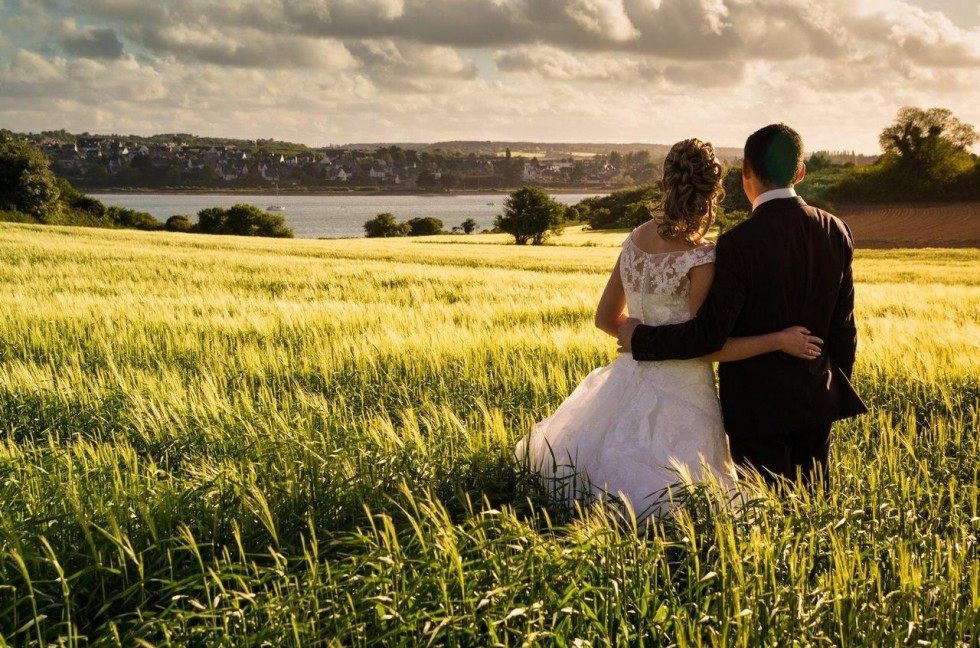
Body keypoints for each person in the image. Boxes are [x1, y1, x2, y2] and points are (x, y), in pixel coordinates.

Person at [515, 138, 823, 521]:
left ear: (665, 183)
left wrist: (637, 337)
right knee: (689, 499)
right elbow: (705, 346)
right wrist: (778, 340)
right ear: (715, 191)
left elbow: (605, 318)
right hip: (685, 390)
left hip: (628, 377)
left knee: (598, 470)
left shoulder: (636, 239)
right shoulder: (701, 255)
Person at [618, 124, 867, 489]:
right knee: (814, 518)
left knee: (762, 522)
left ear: (746, 172)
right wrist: (829, 389)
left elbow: (708, 335)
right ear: (800, 172)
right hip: (817, 400)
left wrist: (640, 338)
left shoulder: (737, 244)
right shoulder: (835, 230)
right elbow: (845, 328)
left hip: (756, 411)